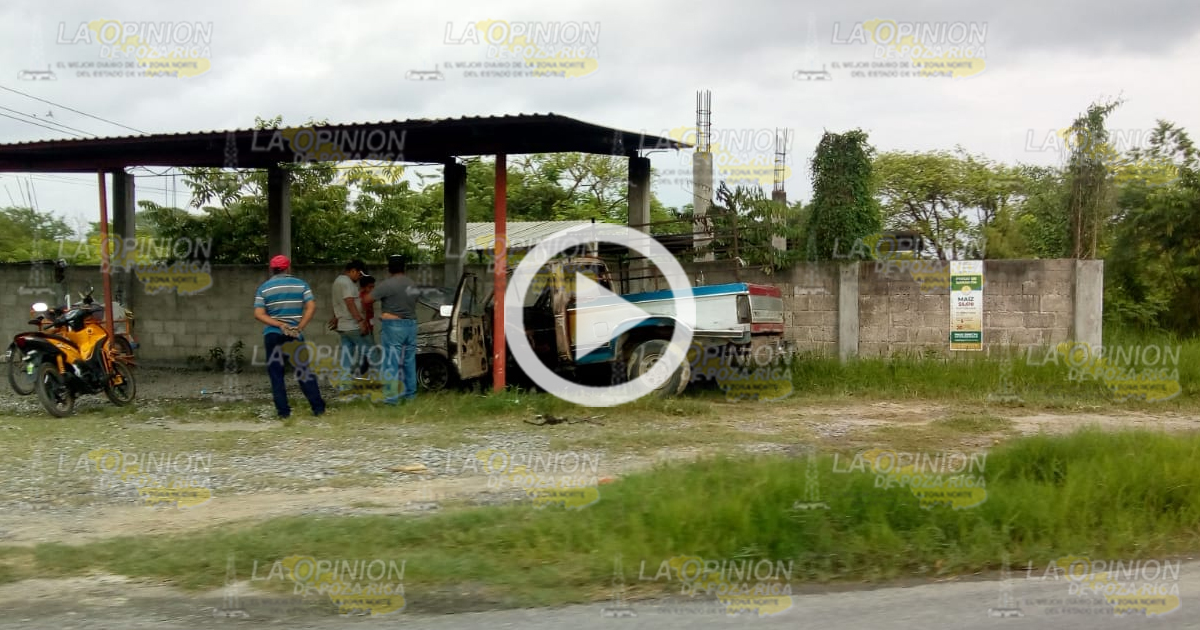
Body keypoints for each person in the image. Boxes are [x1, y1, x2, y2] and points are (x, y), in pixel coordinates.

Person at [253, 255, 325, 419]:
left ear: (272, 269)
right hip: (294, 335)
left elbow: (258, 314)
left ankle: (283, 412)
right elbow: (311, 307)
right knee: (303, 372)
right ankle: (318, 409)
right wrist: (300, 326)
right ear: (288, 267)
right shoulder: (301, 285)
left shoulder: (264, 288)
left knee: (276, 374)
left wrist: (278, 324)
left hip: (272, 334)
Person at [364, 254, 418, 404]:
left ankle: (391, 398)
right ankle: (411, 396)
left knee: (391, 362)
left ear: (389, 268)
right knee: (409, 361)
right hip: (411, 325)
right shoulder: (412, 284)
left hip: (393, 327)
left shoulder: (387, 285)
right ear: (404, 267)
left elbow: (367, 300)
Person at [328, 260, 370, 392]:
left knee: (347, 357)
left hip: (343, 325)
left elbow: (338, 303)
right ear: (352, 271)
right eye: (359, 274)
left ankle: (344, 385)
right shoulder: (346, 282)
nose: (360, 278)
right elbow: (349, 302)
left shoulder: (338, 282)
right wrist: (360, 321)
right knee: (371, 351)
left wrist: (336, 317)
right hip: (352, 325)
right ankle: (377, 383)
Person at [358, 274, 377, 376]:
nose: (372, 289)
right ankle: (362, 376)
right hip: (365, 330)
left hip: (369, 328)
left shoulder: (368, 297)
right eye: (370, 287)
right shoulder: (361, 298)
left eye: (373, 286)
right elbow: (363, 314)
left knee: (366, 354)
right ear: (363, 287)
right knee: (368, 354)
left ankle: (364, 377)